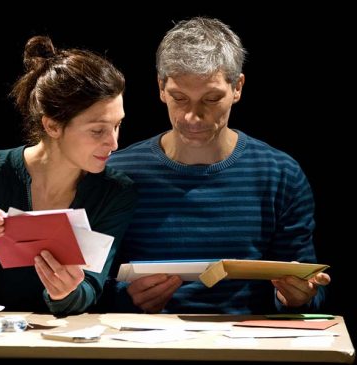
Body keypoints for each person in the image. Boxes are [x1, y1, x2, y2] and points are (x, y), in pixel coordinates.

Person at [106, 17, 330, 314]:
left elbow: (308, 289)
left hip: (246, 348)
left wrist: (296, 296)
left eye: (211, 99)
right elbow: (87, 283)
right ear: (161, 88)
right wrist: (125, 296)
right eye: (179, 98)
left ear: (237, 87)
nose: (192, 116)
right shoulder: (118, 172)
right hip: (145, 346)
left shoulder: (280, 174)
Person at [0, 36, 137, 316]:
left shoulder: (114, 191)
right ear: (52, 126)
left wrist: (66, 292)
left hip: (70, 346)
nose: (114, 143)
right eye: (98, 130)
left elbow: (89, 292)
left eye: (117, 125)